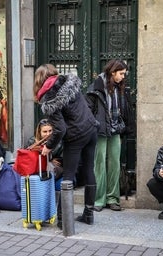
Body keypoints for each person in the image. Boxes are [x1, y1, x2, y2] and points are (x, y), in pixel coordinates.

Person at [33, 64, 99, 228]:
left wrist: (49, 146)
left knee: (67, 176)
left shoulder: (50, 98)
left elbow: (61, 129)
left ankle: (63, 220)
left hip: (76, 135)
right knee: (89, 170)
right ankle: (89, 214)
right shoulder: (69, 82)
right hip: (91, 128)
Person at [86, 59, 130, 212]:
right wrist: (95, 125)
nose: (123, 77)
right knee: (99, 165)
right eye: (121, 74)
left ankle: (113, 199)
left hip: (115, 129)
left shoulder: (120, 88)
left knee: (114, 165)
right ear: (113, 72)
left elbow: (125, 108)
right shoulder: (96, 87)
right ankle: (99, 200)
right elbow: (88, 110)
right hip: (100, 130)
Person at [26, 118, 64, 184]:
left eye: (50, 131)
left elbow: (60, 160)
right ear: (39, 132)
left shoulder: (59, 142)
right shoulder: (32, 142)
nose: (48, 134)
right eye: (45, 132)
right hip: (37, 169)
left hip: (55, 170)